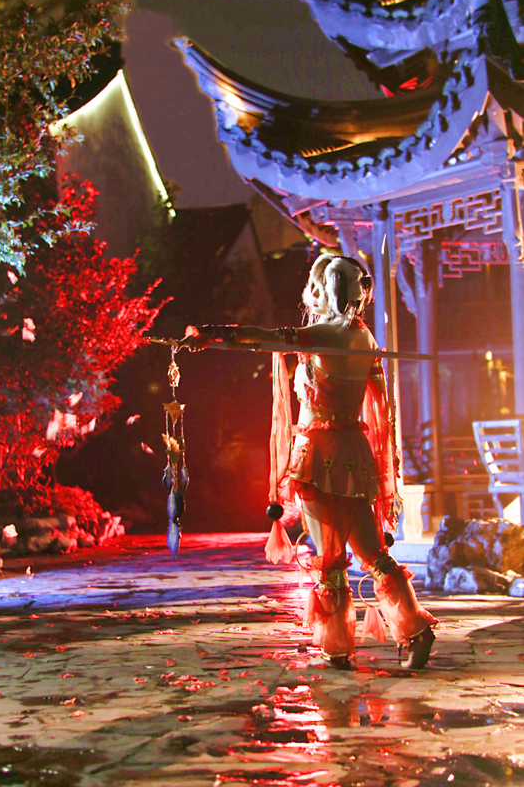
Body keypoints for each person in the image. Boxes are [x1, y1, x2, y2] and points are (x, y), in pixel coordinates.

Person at [178, 253, 437, 669]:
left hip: (318, 457)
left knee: (330, 557)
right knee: (374, 553)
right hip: (355, 454)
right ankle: (416, 631)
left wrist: (209, 335)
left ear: (327, 292)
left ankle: (337, 649)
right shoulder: (365, 339)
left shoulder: (322, 334)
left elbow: (262, 337)